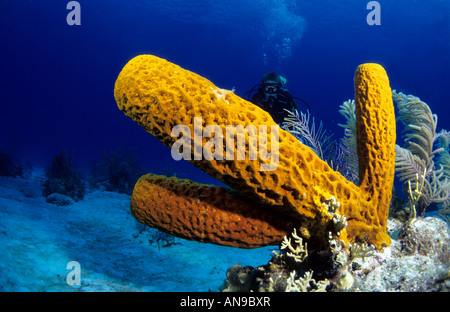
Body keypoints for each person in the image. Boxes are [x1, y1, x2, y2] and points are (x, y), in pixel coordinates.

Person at [245, 72, 310, 124]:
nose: (270, 91)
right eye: (267, 87)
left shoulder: (285, 100)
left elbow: (291, 122)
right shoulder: (257, 98)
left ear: (278, 88)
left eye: (274, 87)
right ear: (263, 87)